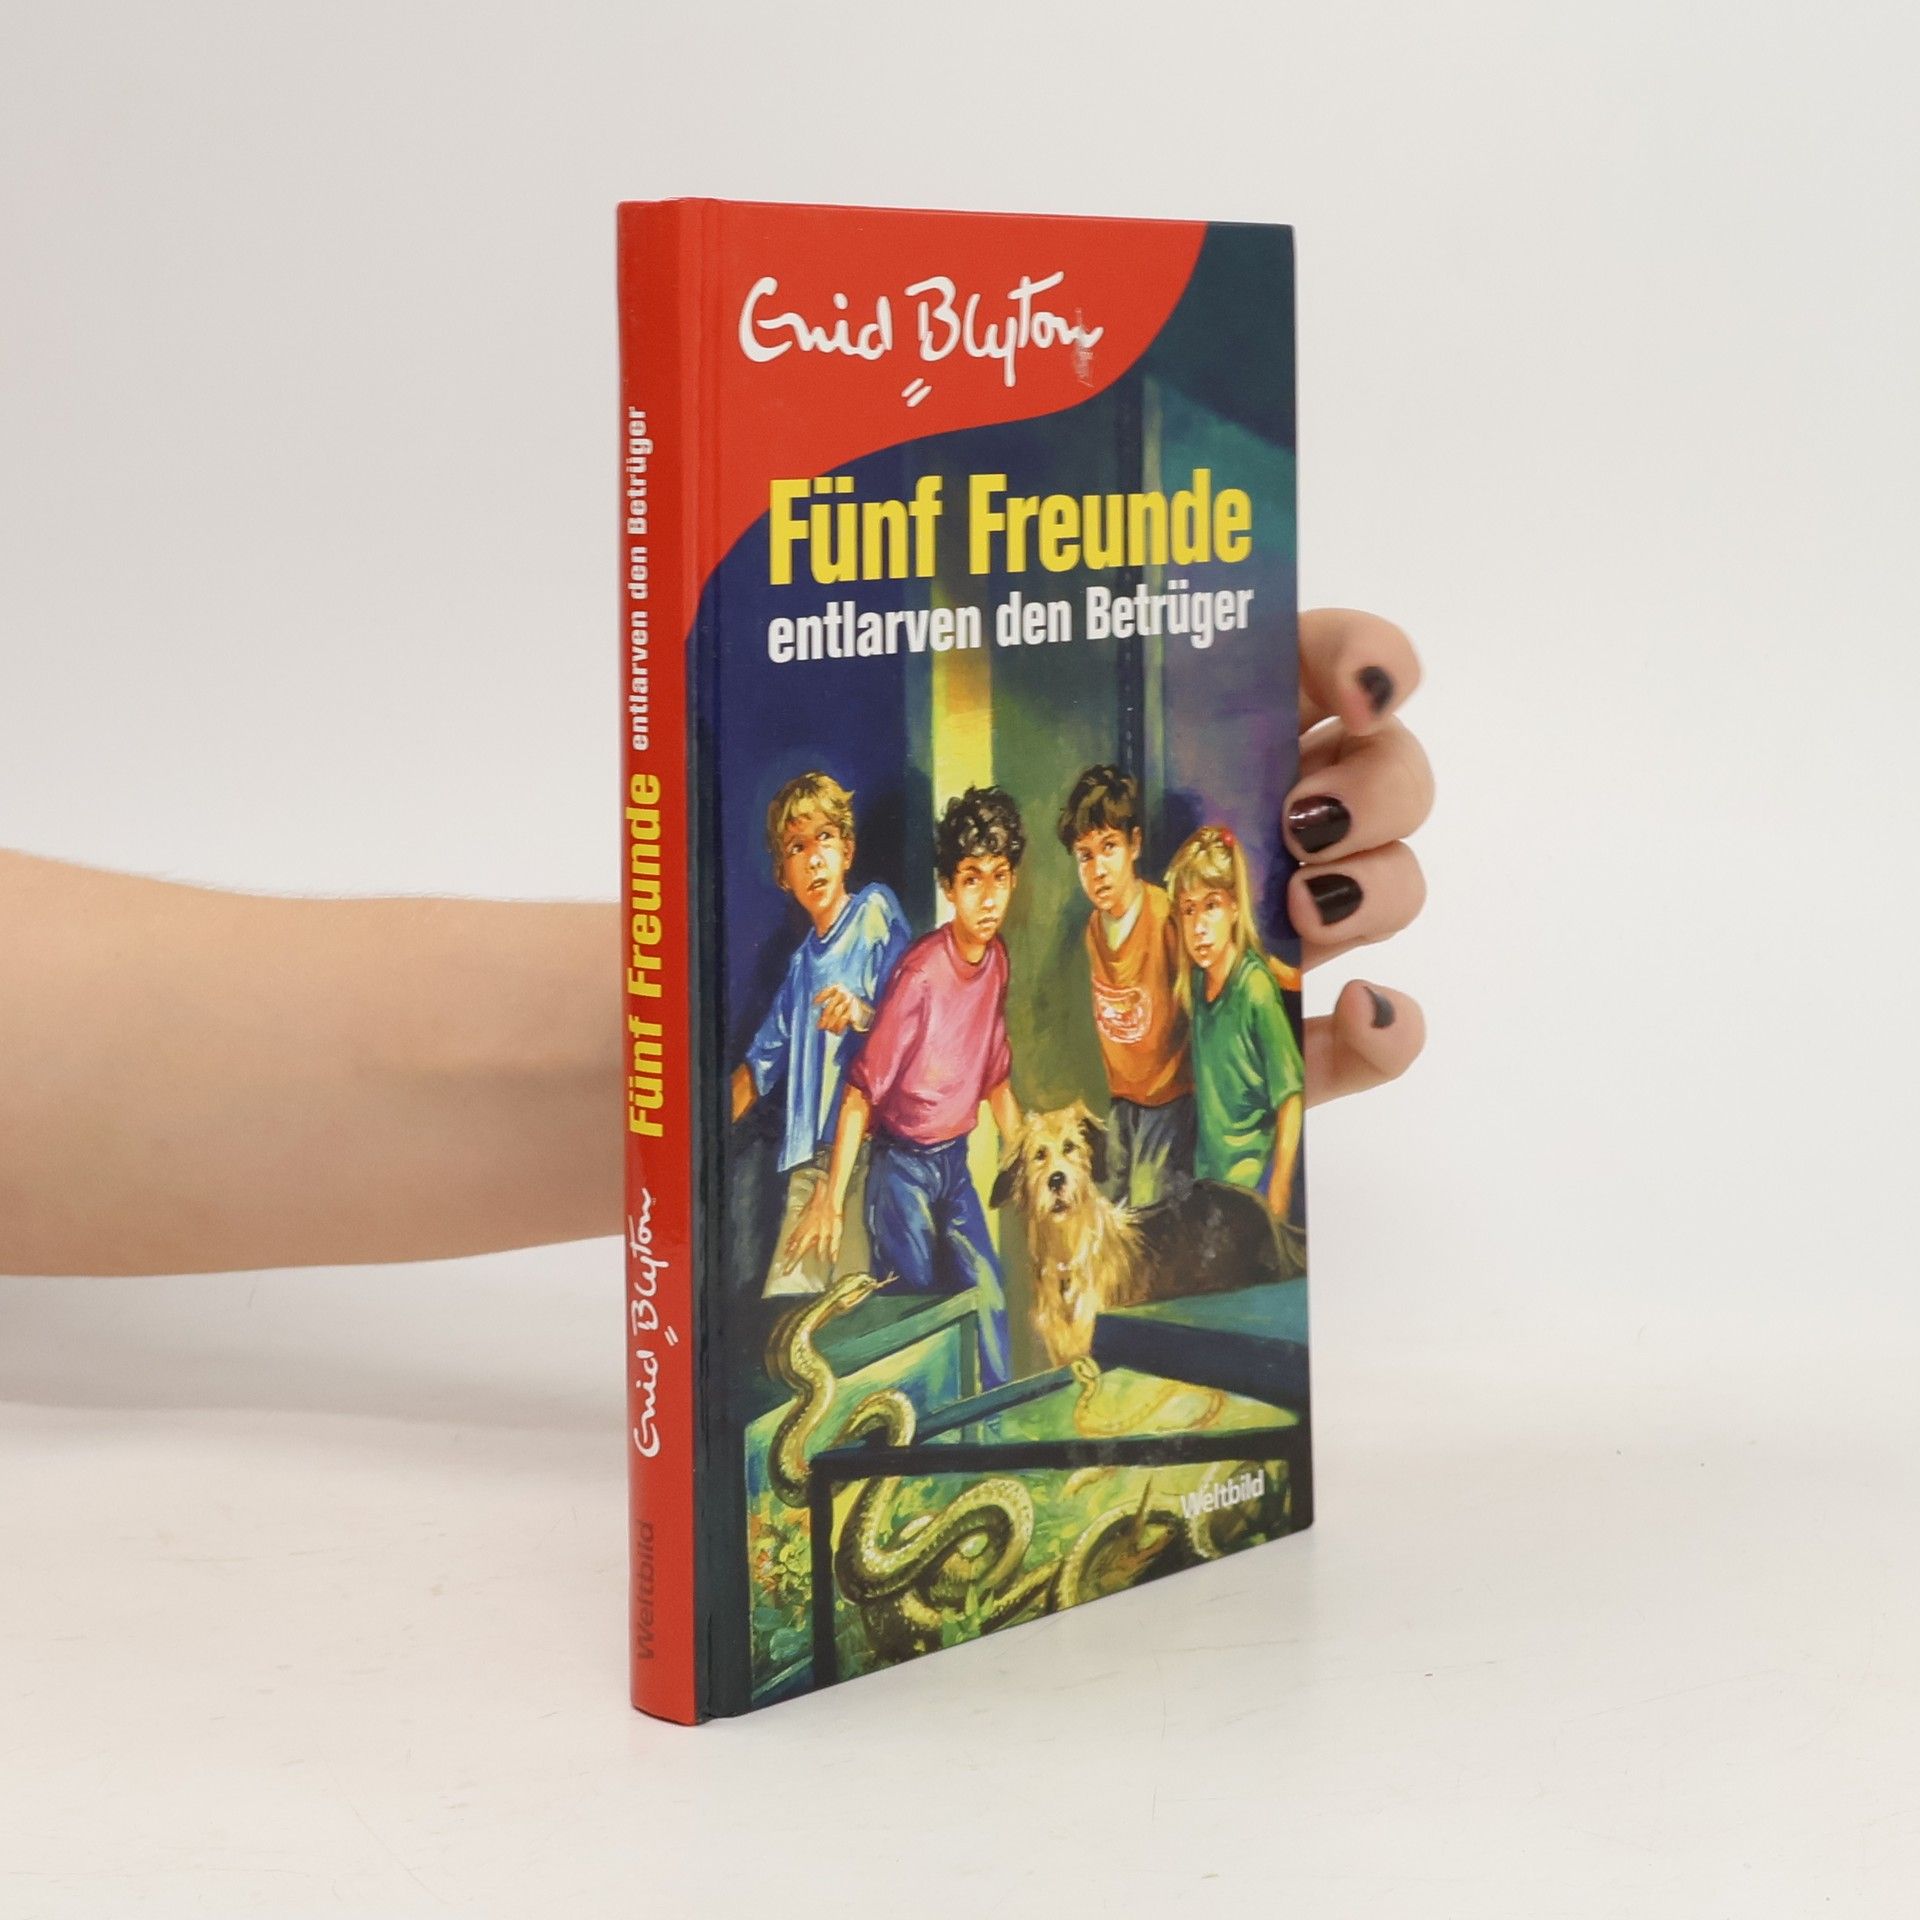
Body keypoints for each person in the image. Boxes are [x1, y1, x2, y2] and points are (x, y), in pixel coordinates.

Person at [0, 609, 1430, 1278]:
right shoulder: (888, 955)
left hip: (987, 1151)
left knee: (1010, 1302)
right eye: (989, 876)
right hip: (883, 1164)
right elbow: (847, 1074)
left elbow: (978, 1063)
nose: (1006, 896)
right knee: (912, 1302)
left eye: (1016, 876)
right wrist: (815, 1162)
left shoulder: (941, 946)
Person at [784, 786, 1028, 1390]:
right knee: (921, 1323)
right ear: (948, 886)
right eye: (971, 879)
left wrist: (1029, 1160)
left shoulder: (997, 962)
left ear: (1013, 881)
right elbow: (859, 1092)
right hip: (901, 1176)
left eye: (999, 877)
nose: (987, 896)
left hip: (953, 1167)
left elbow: (995, 1076)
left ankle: (995, 1431)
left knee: (989, 1300)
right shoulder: (921, 974)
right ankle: (922, 1440)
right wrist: (832, 1197)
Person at [729, 772, 909, 1297]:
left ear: (847, 850)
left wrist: (862, 1013)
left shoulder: (875, 911)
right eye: (796, 847)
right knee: (787, 1311)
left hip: (864, 1159)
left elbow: (908, 1020)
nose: (813, 859)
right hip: (807, 1167)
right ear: (783, 876)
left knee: (848, 1313)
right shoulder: (800, 968)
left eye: (824, 838)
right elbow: (756, 1071)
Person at [1057, 764, 1195, 1207]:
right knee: (1107, 1209)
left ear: (1134, 844)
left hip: (1170, 1103)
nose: (1097, 869)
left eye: (1109, 848)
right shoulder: (1093, 930)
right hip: (1124, 1102)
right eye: (1085, 856)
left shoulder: (1165, 918)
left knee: (1149, 1212)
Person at [1166, 824, 1305, 1226]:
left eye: (1210, 905)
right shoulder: (1196, 983)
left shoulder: (1254, 989)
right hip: (1210, 1184)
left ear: (1234, 908)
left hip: (1253, 1188)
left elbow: (1291, 1099)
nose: (1198, 926)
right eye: (1188, 910)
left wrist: (1278, 1194)